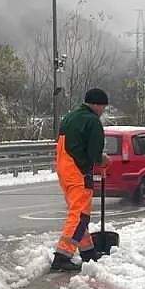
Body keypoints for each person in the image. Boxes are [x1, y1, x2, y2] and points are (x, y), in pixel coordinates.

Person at [51, 88, 111, 272]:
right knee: (80, 215)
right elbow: (94, 154)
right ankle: (62, 256)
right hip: (78, 172)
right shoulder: (92, 121)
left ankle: (88, 251)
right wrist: (103, 160)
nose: (103, 111)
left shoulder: (71, 117)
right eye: (102, 107)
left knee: (78, 212)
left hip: (64, 170)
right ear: (96, 104)